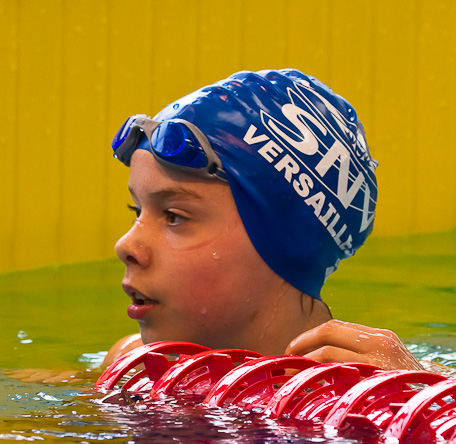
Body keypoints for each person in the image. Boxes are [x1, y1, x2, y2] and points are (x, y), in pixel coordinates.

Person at [102, 69, 427, 372]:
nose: (125, 245)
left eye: (175, 217)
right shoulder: (132, 367)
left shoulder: (376, 390)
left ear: (289, 239)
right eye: (136, 211)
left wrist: (414, 386)